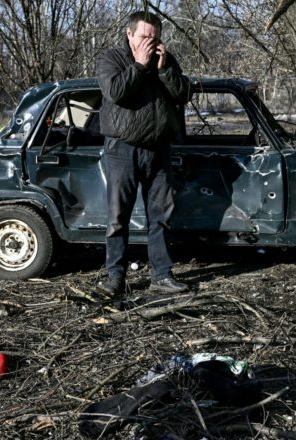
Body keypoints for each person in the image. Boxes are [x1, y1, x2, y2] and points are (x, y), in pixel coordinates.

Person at [95, 11, 190, 297]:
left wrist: (163, 69)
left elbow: (184, 94)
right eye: (144, 36)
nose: (150, 42)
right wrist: (138, 65)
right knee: (117, 217)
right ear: (129, 34)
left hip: (159, 149)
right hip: (122, 149)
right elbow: (115, 92)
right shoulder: (111, 58)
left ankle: (161, 275)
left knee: (160, 215)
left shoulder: (166, 60)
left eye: (155, 37)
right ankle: (115, 277)